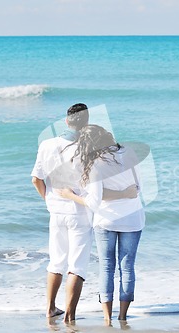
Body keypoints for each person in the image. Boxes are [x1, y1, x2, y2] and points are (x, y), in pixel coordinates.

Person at [31, 104, 136, 322]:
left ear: (66, 121)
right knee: (77, 265)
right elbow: (97, 192)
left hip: (55, 210)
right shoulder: (89, 148)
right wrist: (125, 192)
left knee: (56, 261)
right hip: (80, 211)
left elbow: (36, 179)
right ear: (86, 123)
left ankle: (50, 308)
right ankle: (70, 315)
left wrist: (49, 200)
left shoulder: (47, 144)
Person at [59, 125, 145, 325]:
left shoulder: (96, 164)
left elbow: (93, 202)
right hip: (133, 218)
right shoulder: (130, 152)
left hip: (106, 220)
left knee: (107, 267)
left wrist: (70, 195)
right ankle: (123, 316)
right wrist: (124, 193)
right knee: (127, 266)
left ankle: (107, 318)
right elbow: (137, 188)